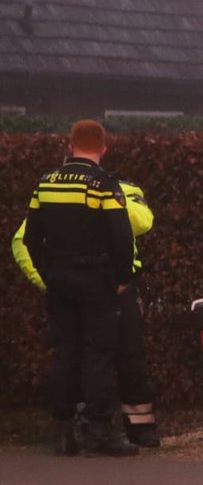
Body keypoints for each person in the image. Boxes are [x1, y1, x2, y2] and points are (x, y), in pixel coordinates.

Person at [14, 120, 138, 457]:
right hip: (95, 278)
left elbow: (30, 237)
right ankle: (100, 431)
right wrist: (122, 277)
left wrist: (48, 271)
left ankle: (64, 431)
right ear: (103, 148)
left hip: (59, 279)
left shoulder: (46, 183)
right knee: (97, 353)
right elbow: (121, 235)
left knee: (65, 351)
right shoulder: (102, 184)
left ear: (69, 146)